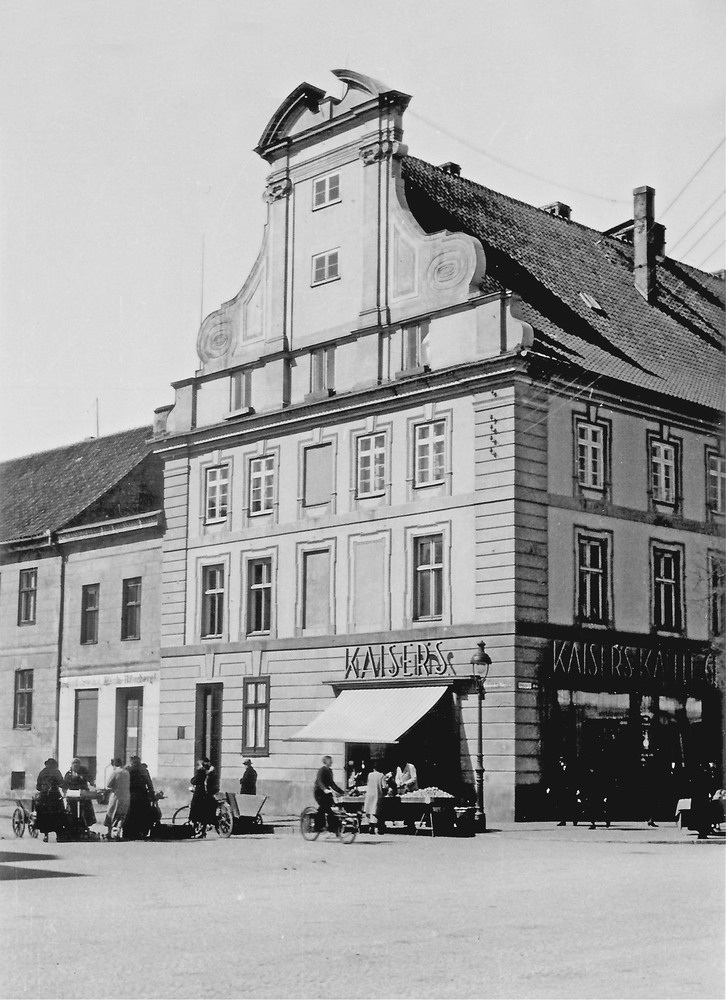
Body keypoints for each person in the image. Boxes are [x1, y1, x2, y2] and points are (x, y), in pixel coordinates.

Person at [123, 756, 156, 840]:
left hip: (131, 794)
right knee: (144, 814)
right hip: (142, 795)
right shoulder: (143, 770)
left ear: (131, 762)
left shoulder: (128, 770)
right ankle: (142, 832)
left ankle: (129, 833)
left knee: (131, 814)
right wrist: (152, 794)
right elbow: (149, 783)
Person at [34, 758, 66, 843]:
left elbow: (37, 786)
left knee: (45, 816)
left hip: (44, 797)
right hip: (54, 796)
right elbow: (61, 783)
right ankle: (58, 835)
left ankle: (45, 835)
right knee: (58, 814)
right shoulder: (56, 772)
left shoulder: (42, 772)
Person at [63, 757, 96, 836]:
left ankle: (84, 825)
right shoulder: (69, 774)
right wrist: (65, 793)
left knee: (85, 810)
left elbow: (91, 780)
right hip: (72, 795)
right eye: (74, 765)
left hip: (83, 794)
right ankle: (73, 826)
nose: (76, 767)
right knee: (72, 811)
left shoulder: (84, 771)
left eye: (78, 765)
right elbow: (65, 785)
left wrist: (92, 783)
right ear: (72, 765)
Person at [314, 755, 344, 832]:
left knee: (331, 810)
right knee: (323, 808)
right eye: (330, 761)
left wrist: (341, 791)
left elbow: (332, 783)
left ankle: (332, 827)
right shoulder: (321, 770)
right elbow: (320, 781)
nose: (331, 763)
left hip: (327, 793)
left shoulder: (330, 771)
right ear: (326, 762)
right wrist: (324, 789)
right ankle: (318, 826)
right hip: (319, 792)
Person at [104, 758, 131, 840]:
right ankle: (118, 833)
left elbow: (108, 784)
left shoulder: (115, 772)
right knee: (121, 814)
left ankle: (109, 832)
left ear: (113, 765)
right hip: (126, 796)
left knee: (111, 813)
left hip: (116, 796)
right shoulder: (127, 772)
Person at [189, 757, 216, 837]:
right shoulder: (210, 772)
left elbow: (194, 781)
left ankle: (193, 831)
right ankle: (203, 831)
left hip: (199, 794)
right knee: (204, 814)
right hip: (206, 794)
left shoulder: (201, 771)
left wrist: (193, 780)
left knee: (194, 812)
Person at [363, 760, 388, 834]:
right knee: (376, 811)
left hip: (369, 794)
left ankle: (370, 826)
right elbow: (384, 786)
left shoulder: (370, 775)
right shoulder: (381, 775)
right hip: (377, 794)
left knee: (370, 810)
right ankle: (375, 828)